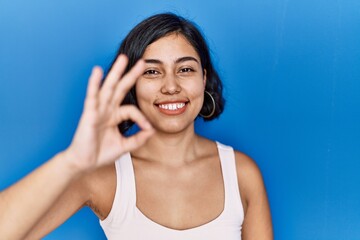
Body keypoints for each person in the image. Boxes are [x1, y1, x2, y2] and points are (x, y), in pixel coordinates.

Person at [4, 12, 273, 239]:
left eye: (185, 69)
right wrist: (71, 161)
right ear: (131, 84)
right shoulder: (104, 176)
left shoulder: (241, 173)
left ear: (204, 79)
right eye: (152, 72)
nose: (171, 86)